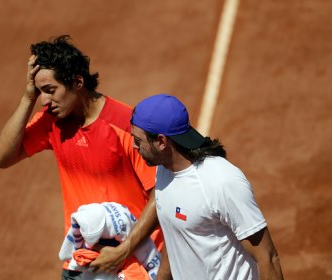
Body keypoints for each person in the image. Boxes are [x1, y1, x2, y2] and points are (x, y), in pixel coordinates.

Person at [0, 35, 163, 280]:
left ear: (78, 82)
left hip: (133, 262)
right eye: (40, 92)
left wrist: (123, 251)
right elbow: (0, 157)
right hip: (81, 261)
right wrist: (27, 98)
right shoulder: (51, 122)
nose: (45, 100)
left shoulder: (127, 125)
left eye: (50, 90)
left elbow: (160, 194)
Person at [91, 94, 284, 279]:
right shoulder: (164, 170)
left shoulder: (222, 181)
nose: (134, 146)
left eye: (138, 140)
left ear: (161, 142)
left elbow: (268, 258)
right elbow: (177, 238)